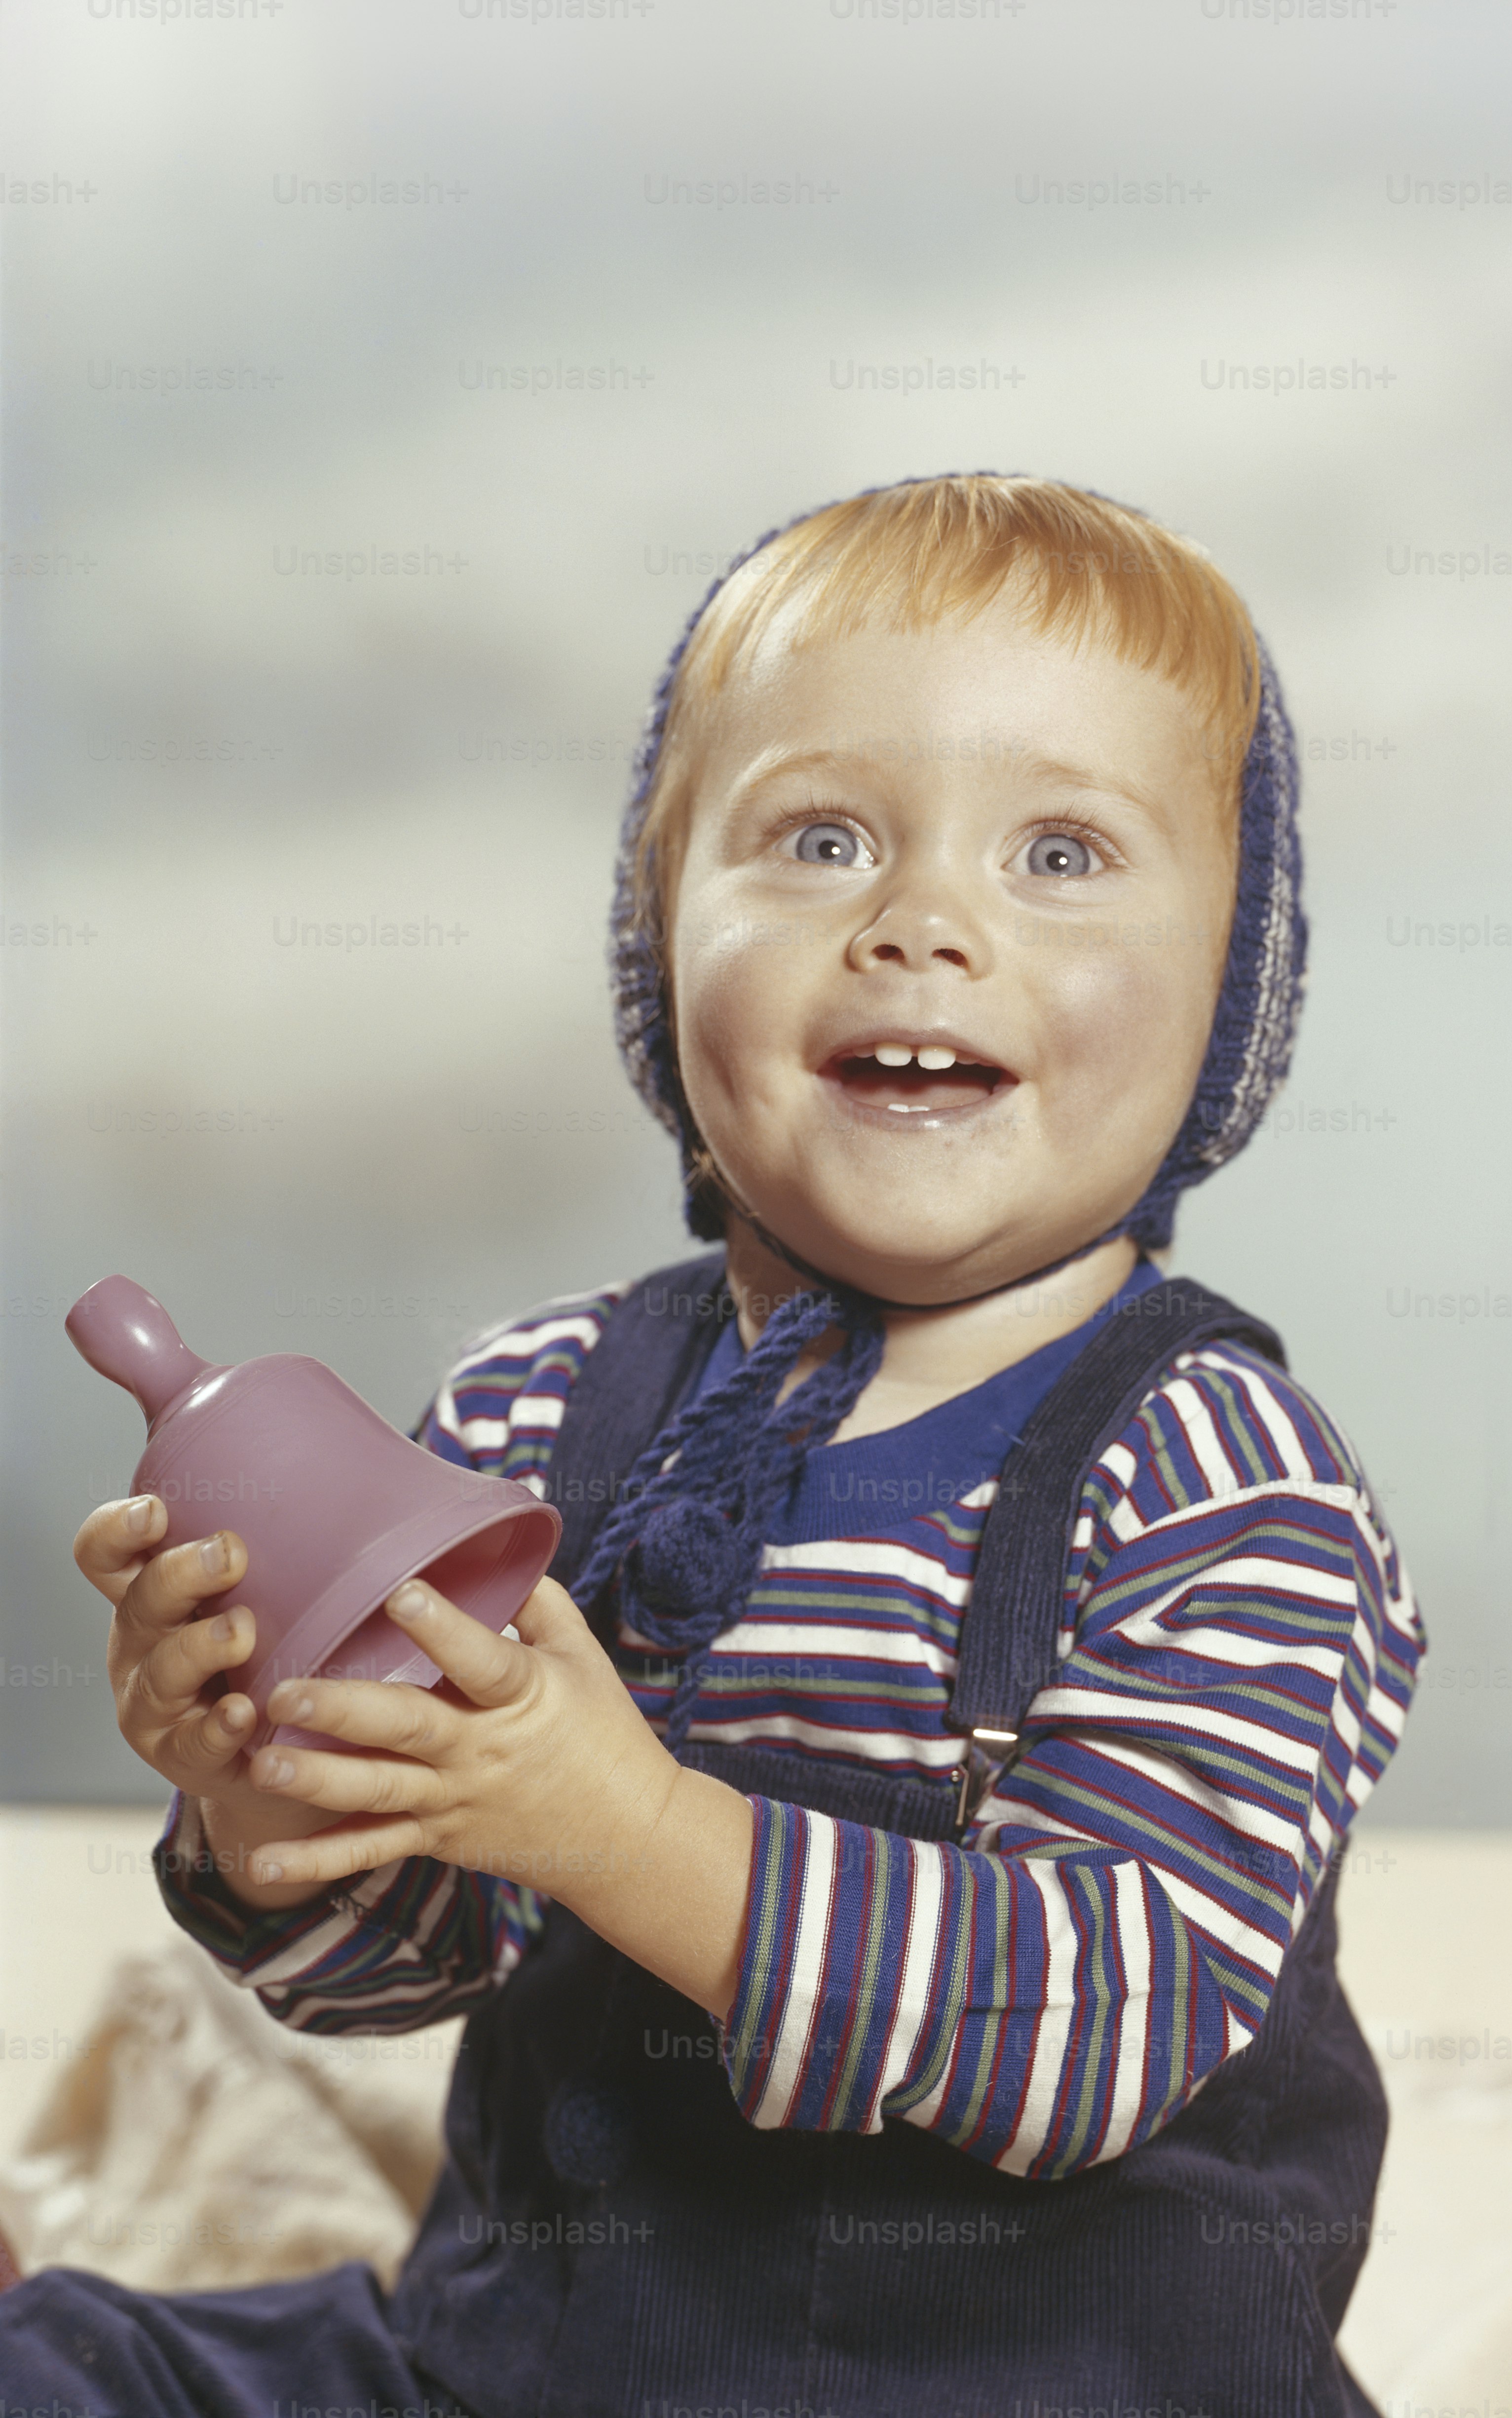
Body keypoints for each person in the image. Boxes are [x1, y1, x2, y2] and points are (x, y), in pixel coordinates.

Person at [5, 475, 1425, 2417]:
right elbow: (394, 1969)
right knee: (78, 2361)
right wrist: (266, 1799)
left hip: (1058, 2391)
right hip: (528, 2373)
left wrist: (630, 1829)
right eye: (820, 838)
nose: (920, 922)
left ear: (1227, 987)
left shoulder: (1217, 1481)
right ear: (657, 943)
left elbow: (1092, 2029)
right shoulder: (530, 1414)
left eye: (1062, 854)